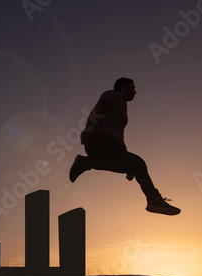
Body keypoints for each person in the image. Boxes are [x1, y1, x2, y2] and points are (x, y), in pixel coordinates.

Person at [69, 77, 181, 216]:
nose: (135, 91)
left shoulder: (122, 106)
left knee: (137, 163)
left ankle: (154, 200)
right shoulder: (113, 95)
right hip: (100, 141)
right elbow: (98, 109)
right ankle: (85, 162)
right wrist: (88, 130)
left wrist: (129, 166)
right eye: (132, 87)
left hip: (112, 145)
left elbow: (119, 135)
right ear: (124, 86)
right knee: (138, 162)